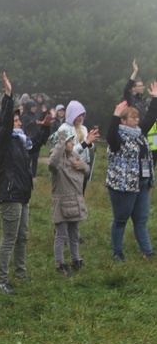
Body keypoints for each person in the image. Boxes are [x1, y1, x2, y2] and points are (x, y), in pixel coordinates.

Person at [0, 73, 53, 295]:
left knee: (22, 236)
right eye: (15, 120)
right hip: (10, 194)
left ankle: (20, 271)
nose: (18, 122)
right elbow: (6, 123)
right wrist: (9, 96)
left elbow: (35, 146)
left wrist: (45, 128)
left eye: (17, 120)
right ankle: (1, 280)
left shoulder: (20, 141)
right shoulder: (1, 142)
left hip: (23, 193)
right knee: (9, 238)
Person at [106, 87, 157, 263]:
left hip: (142, 184)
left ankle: (148, 252)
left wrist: (155, 99)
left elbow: (150, 118)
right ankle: (117, 252)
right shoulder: (118, 137)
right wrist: (115, 114)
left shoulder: (139, 134)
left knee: (141, 220)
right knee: (121, 220)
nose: (137, 120)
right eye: (133, 118)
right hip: (124, 185)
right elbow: (110, 135)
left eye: (137, 117)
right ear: (123, 120)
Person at [49, 129, 89, 275]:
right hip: (62, 203)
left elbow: (87, 170)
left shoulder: (75, 156)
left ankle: (75, 259)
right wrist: (60, 141)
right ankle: (60, 264)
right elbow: (52, 163)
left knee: (75, 234)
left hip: (75, 201)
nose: (73, 143)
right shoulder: (57, 163)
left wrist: (83, 166)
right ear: (61, 144)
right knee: (61, 235)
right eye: (69, 141)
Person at [55, 100, 98, 193]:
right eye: (78, 115)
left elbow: (89, 148)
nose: (81, 118)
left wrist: (90, 143)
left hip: (82, 165)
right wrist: (85, 143)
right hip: (71, 166)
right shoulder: (64, 128)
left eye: (82, 115)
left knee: (81, 194)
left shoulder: (83, 128)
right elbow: (66, 151)